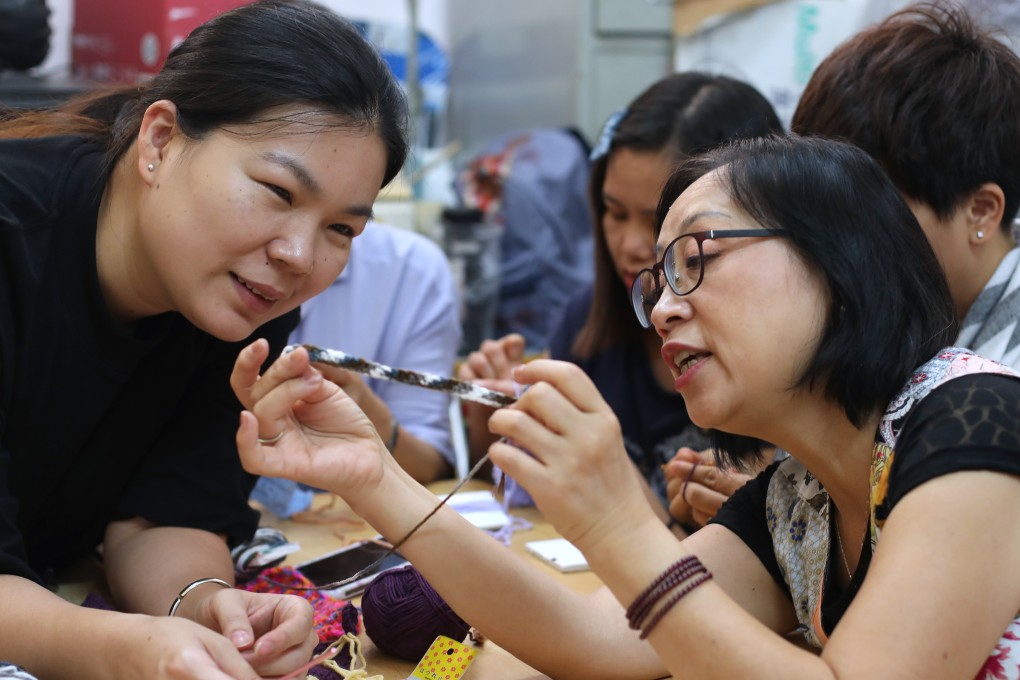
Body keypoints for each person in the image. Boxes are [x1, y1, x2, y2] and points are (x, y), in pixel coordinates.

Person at [233, 133, 1020, 678]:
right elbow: (604, 641)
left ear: (841, 260)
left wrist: (615, 519)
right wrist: (374, 477)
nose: (666, 307)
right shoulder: (796, 498)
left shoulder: (975, 420)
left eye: (695, 258)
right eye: (658, 286)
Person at [0, 1, 407, 678]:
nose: (300, 256)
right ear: (159, 140)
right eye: (277, 189)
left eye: (342, 229)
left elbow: (165, 516)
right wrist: (124, 649)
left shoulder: (244, 294)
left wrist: (209, 610)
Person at [669, 0, 1020, 527]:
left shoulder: (992, 400)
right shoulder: (862, 344)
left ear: (981, 211)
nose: (841, 238)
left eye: (874, 206)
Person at [458, 72, 784, 522]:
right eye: (613, 212)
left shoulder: (783, 364)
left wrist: (763, 516)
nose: (631, 245)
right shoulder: (585, 322)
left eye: (658, 220)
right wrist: (496, 420)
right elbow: (523, 499)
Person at [288, 220, 461, 483]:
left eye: (342, 227)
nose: (298, 257)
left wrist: (370, 418)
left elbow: (430, 464)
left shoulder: (412, 269)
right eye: (280, 194)